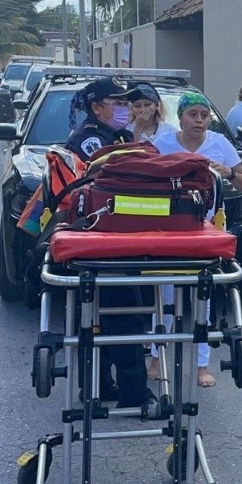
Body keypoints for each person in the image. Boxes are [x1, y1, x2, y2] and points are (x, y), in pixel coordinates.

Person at [152, 91, 242, 387]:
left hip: (205, 230)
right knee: (164, 295)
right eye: (192, 114)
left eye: (204, 115)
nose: (199, 120)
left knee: (202, 297)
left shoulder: (220, 144)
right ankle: (156, 358)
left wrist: (228, 172)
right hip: (167, 227)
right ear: (180, 117)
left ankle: (201, 366)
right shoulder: (162, 144)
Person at [65, 77, 151, 409]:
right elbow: (122, 181)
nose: (127, 109)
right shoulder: (90, 141)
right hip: (103, 243)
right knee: (123, 316)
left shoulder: (112, 137)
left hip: (111, 239)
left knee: (98, 317)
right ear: (97, 107)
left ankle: (98, 390)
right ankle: (133, 396)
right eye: (119, 103)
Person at [66, 75, 133, 160]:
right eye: (118, 104)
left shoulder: (121, 134)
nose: (124, 109)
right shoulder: (86, 139)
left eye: (126, 104)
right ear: (97, 108)